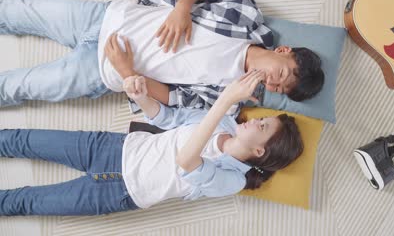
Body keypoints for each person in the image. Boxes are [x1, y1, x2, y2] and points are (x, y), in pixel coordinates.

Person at [0, 0, 324, 113]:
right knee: (18, 9)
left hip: (101, 72)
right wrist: (183, 7)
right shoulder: (247, 17)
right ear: (282, 51)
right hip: (107, 19)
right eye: (280, 75)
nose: (271, 83)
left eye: (277, 89)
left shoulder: (231, 99)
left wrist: (127, 72)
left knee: (19, 87)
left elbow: (171, 99)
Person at [0, 70, 304, 216]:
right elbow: (166, 119)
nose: (254, 120)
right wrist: (140, 94)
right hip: (114, 147)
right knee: (20, 139)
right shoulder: (224, 121)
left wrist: (224, 101)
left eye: (262, 126)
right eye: (261, 118)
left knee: (22, 202)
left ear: (259, 151)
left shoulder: (232, 180)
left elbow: (187, 162)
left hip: (120, 190)